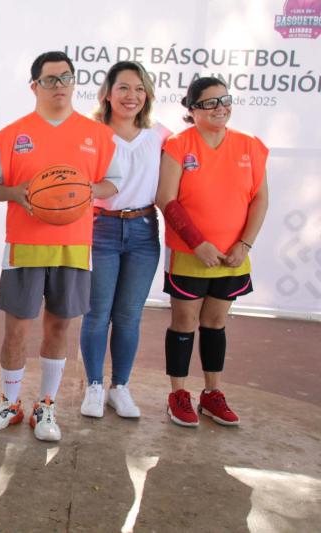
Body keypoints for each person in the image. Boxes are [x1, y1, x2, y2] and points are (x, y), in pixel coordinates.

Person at [0, 51, 117, 441]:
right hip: (25, 244)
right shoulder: (11, 135)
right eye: (51, 79)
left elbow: (112, 183)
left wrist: (87, 190)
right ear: (34, 86)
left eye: (66, 78)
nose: (59, 86)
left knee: (58, 325)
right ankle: (10, 403)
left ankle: (46, 406)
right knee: (16, 329)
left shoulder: (97, 135)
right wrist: (15, 193)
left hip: (74, 245)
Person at [156, 77, 269, 427]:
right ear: (193, 110)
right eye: (210, 103)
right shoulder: (178, 144)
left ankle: (212, 393)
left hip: (233, 257)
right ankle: (178, 395)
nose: (220, 108)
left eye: (224, 100)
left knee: (215, 324)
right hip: (189, 254)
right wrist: (197, 243)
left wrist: (244, 245)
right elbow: (166, 199)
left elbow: (260, 199)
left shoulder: (250, 145)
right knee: (184, 323)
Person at [78, 61, 171, 419]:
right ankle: (94, 386)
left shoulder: (160, 135)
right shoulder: (91, 133)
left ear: (147, 95)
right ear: (107, 93)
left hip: (144, 231)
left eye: (139, 89)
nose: (132, 96)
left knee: (129, 315)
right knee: (97, 313)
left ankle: (120, 388)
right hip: (100, 227)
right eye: (123, 88)